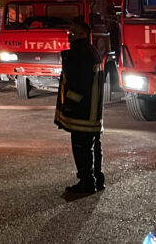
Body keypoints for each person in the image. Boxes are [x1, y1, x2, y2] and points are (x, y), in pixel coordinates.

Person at [54, 20, 105, 194]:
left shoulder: (79, 53)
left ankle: (86, 182)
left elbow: (78, 84)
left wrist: (68, 105)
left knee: (81, 146)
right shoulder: (92, 51)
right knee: (93, 145)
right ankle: (97, 178)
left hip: (81, 112)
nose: (70, 35)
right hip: (93, 111)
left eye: (73, 32)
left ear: (83, 34)